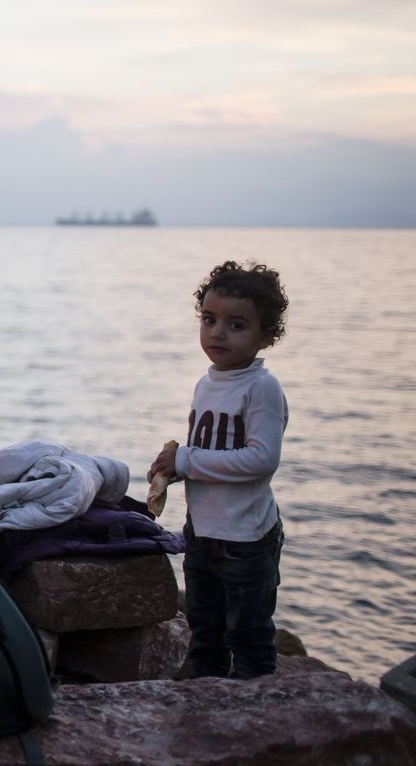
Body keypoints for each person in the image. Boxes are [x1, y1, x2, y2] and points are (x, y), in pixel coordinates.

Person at [148, 261, 289, 680]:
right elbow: (213, 453)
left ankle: (256, 720)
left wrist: (189, 460)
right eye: (209, 320)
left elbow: (262, 459)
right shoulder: (207, 383)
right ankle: (207, 714)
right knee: (204, 633)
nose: (217, 333)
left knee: (248, 637)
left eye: (236, 324)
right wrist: (175, 469)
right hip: (203, 534)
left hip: (245, 540)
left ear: (266, 335)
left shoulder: (261, 388)